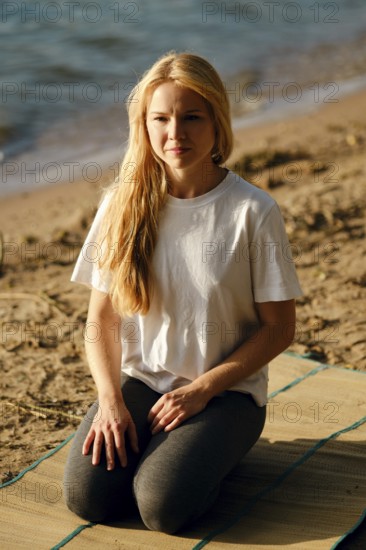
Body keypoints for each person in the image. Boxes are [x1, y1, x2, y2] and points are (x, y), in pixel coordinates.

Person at [63, 51, 303, 534]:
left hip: (224, 394)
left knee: (161, 508)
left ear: (217, 121)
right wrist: (109, 401)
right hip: (143, 384)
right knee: (88, 499)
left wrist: (201, 390)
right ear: (144, 125)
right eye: (162, 119)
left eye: (192, 117)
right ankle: (169, 451)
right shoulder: (121, 203)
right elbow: (102, 321)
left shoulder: (252, 211)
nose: (177, 134)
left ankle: (214, 452)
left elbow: (279, 328)